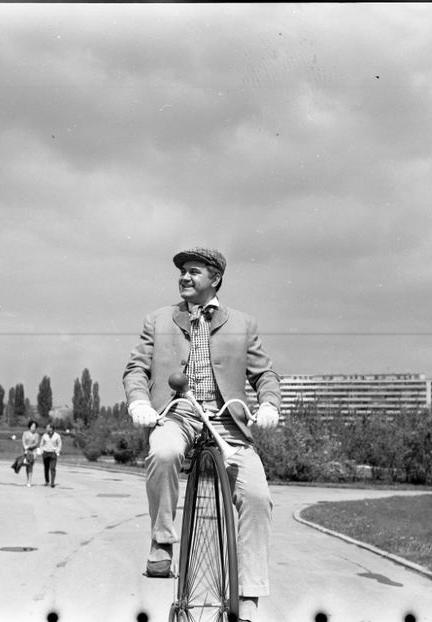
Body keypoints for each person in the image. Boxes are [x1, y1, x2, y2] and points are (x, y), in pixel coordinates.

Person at [123, 247, 281, 622]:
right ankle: (162, 541)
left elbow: (265, 375)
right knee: (162, 454)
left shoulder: (243, 323)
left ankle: (249, 597)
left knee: (258, 496)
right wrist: (139, 403)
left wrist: (270, 404)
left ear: (215, 279)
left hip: (228, 420)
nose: (184, 277)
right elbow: (135, 369)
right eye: (182, 272)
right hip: (179, 412)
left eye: (194, 272)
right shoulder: (159, 319)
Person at [39, 423, 62, 487]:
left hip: (53, 453)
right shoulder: (44, 435)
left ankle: (52, 482)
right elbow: (41, 444)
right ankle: (47, 481)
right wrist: (42, 451)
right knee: (46, 468)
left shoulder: (57, 436)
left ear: (51, 428)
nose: (46, 428)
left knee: (52, 468)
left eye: (47, 427)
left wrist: (57, 451)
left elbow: (59, 444)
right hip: (46, 453)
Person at [21, 420, 40, 487]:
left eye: (34, 427)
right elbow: (23, 441)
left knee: (30, 465)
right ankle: (28, 479)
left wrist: (29, 446)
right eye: (32, 426)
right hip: (26, 451)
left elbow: (36, 443)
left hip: (33, 451)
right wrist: (25, 446)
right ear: (29, 426)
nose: (33, 428)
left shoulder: (37, 435)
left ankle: (30, 481)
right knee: (27, 466)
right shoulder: (25, 433)